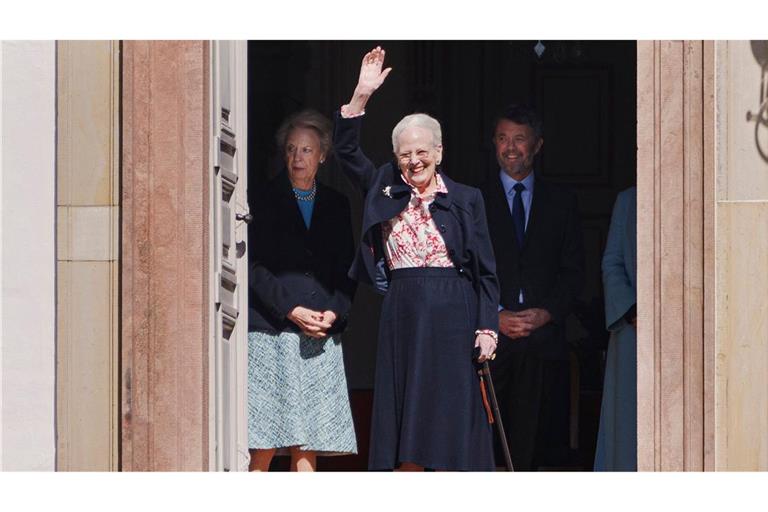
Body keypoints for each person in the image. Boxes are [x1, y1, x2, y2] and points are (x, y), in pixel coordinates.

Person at [333, 47, 500, 471]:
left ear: (439, 152)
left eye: (422, 151)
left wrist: (487, 329)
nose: (414, 160)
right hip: (404, 311)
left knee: (451, 424)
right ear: (396, 158)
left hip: (454, 314)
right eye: (405, 153)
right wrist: (361, 96)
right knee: (407, 423)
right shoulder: (383, 187)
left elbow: (485, 272)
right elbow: (347, 152)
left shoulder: (466, 199)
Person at [247, 109, 358, 472]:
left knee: (308, 441)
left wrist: (335, 313)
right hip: (272, 331)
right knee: (262, 440)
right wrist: (290, 309)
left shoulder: (337, 204)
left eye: (307, 150)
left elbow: (347, 269)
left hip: (319, 335)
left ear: (323, 155)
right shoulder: (260, 199)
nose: (298, 158)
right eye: (292, 149)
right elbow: (253, 265)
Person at [481, 104, 585, 471]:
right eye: (503, 138)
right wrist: (495, 315)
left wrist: (547, 313)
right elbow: (463, 271)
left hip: (545, 346)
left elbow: (575, 273)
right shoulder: (472, 200)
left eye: (520, 139)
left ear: (537, 145)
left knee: (545, 452)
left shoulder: (562, 201)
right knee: (491, 451)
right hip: (491, 344)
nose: (510, 148)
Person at [594, 186, 637, 471]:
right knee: (625, 419)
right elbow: (612, 262)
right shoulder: (627, 200)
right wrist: (631, 309)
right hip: (633, 327)